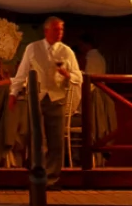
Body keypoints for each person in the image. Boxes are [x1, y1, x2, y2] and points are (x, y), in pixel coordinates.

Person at [10, 16, 81, 180]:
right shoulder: (32, 48)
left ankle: (53, 177)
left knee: (56, 140)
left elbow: (78, 76)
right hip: (37, 98)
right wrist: (13, 93)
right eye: (56, 29)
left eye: (61, 29)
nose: (59, 33)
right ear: (46, 30)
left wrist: (67, 74)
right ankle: (38, 174)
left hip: (57, 98)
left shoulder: (66, 51)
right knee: (36, 138)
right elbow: (22, 73)